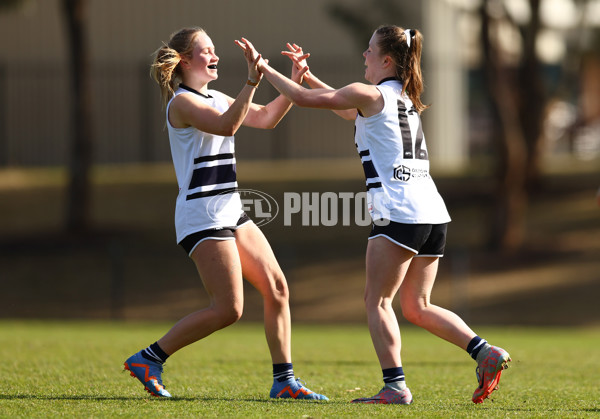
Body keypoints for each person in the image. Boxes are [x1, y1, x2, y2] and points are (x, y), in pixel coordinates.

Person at [241, 25, 511, 404]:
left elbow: (304, 99)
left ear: (386, 59)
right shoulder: (403, 98)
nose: (364, 56)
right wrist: (307, 74)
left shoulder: (367, 93)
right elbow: (344, 106)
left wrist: (263, 69)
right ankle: (485, 351)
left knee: (378, 302)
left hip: (397, 211)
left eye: (369, 51)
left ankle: (395, 387)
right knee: (418, 306)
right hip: (433, 212)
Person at [123, 27, 327, 401]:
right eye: (207, 50)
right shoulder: (181, 103)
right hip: (201, 214)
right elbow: (227, 125)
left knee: (278, 288)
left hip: (231, 209)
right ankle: (149, 358)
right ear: (185, 61)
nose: (215, 56)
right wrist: (251, 80)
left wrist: (294, 83)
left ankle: (284, 382)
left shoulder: (215, 95)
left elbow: (264, 117)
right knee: (229, 309)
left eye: (215, 50)